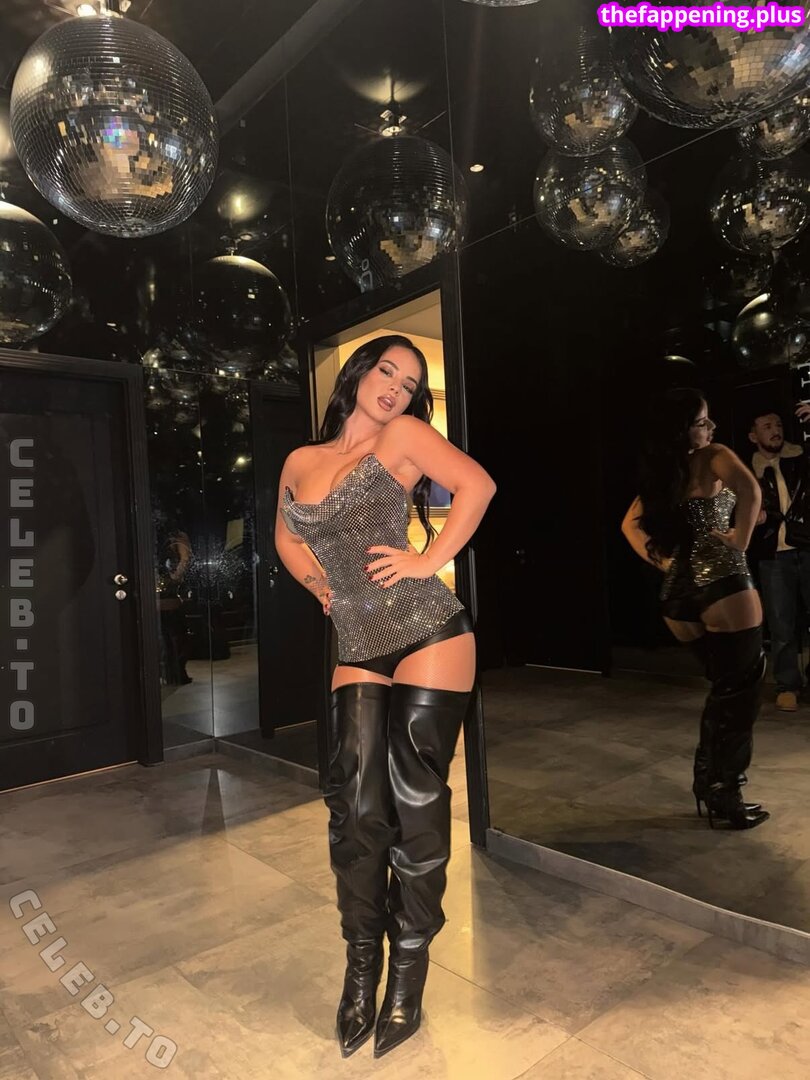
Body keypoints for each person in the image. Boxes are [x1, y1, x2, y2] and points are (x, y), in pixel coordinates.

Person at [275, 334, 496, 1058]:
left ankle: (407, 973)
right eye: (387, 371)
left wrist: (428, 560)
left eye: (409, 381)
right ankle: (360, 964)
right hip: (359, 640)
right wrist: (323, 589)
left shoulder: (402, 436)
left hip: (429, 630)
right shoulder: (301, 460)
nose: (396, 387)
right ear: (359, 372)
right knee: (354, 806)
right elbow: (287, 539)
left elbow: (477, 486)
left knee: (415, 800)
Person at [621, 388, 769, 830]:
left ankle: (711, 784)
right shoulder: (713, 456)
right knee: (741, 691)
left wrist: (665, 564)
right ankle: (724, 790)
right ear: (683, 428)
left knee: (725, 689)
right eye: (703, 421)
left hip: (678, 597)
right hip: (723, 584)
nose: (712, 428)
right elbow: (750, 489)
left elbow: (628, 526)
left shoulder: (663, 474)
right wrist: (741, 539)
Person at [748, 409, 810, 711]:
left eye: (778, 425)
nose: (775, 431)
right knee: (781, 623)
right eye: (766, 426)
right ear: (753, 436)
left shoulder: (800, 458)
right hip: (773, 554)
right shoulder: (749, 470)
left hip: (806, 546)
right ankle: (788, 685)